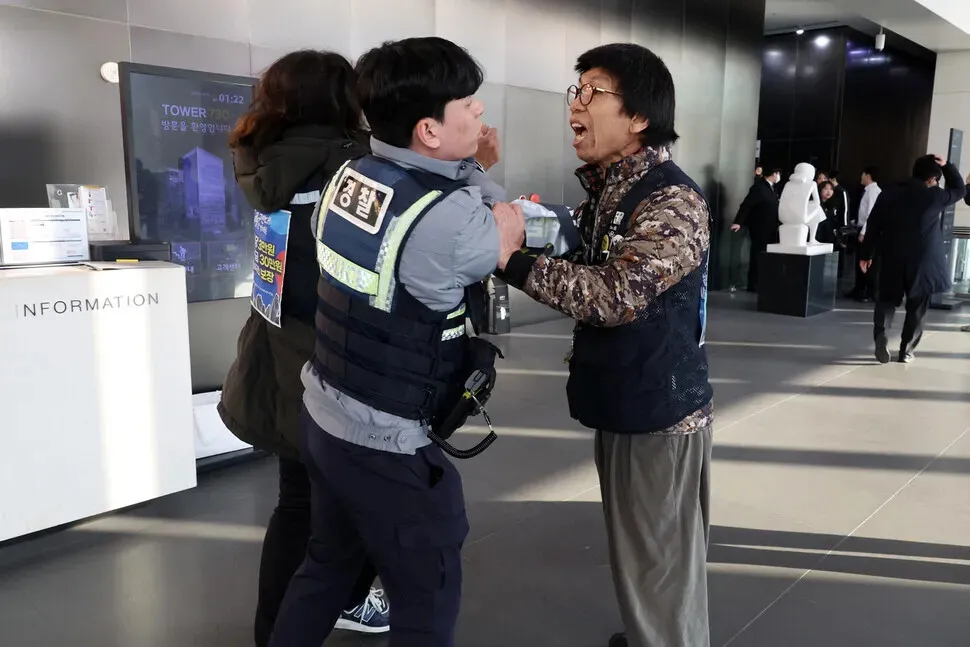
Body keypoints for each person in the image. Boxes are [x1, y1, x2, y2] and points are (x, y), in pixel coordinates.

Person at [266, 37, 524, 647]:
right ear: (430, 131)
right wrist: (504, 209)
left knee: (326, 567)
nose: (481, 114)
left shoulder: (350, 174)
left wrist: (474, 174)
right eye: (471, 104)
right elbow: (499, 232)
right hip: (389, 442)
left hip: (325, 411)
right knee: (426, 604)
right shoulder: (453, 224)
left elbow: (441, 202)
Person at [500, 43, 714, 647]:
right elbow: (588, 246)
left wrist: (512, 262)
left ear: (640, 117)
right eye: (577, 92)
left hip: (661, 410)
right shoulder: (613, 190)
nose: (577, 104)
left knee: (661, 561)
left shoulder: (673, 200)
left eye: (593, 92)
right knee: (642, 552)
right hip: (627, 394)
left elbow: (615, 295)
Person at [217, 50, 389, 645]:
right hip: (345, 360)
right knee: (373, 496)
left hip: (279, 353)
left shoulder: (259, 161)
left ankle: (277, 632)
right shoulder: (356, 168)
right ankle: (344, 596)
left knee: (296, 502)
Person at [860, 154, 967, 363]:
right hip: (923, 262)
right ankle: (906, 350)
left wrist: (866, 254)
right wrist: (948, 166)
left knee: (886, 300)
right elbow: (961, 190)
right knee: (917, 306)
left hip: (892, 255)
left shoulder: (889, 193)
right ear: (932, 178)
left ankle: (881, 336)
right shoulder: (935, 196)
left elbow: (873, 225)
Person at [731, 167, 781, 292]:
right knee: (757, 254)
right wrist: (738, 222)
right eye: (778, 173)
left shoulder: (771, 188)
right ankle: (754, 284)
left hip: (769, 227)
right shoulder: (759, 187)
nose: (779, 176)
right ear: (773, 174)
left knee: (763, 255)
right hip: (759, 227)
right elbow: (747, 205)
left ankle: (761, 282)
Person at [848, 166, 882, 300]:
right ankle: (859, 288)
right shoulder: (868, 191)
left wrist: (863, 232)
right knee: (859, 261)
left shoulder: (873, 191)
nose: (861, 177)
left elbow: (871, 214)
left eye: (862, 174)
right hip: (862, 228)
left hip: (868, 231)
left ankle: (867, 291)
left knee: (866, 261)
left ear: (868, 175)